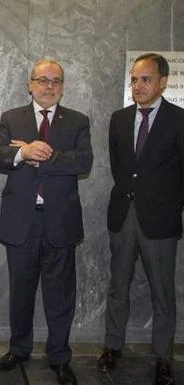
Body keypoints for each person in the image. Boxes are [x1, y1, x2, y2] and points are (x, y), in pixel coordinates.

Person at [0, 59, 93, 385]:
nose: (49, 86)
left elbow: (83, 161)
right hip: (21, 223)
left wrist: (36, 154)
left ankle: (59, 357)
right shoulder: (11, 117)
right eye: (42, 80)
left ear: (62, 86)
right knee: (21, 293)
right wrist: (20, 153)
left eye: (55, 81)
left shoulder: (77, 121)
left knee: (60, 297)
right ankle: (19, 350)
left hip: (60, 222)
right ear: (30, 84)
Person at [97, 53, 184, 385]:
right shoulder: (119, 119)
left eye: (146, 79)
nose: (138, 86)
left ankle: (163, 357)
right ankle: (112, 346)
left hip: (160, 221)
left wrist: (169, 204)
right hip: (123, 216)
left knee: (163, 292)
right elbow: (121, 166)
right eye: (134, 79)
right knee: (117, 286)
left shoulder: (178, 120)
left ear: (163, 82)